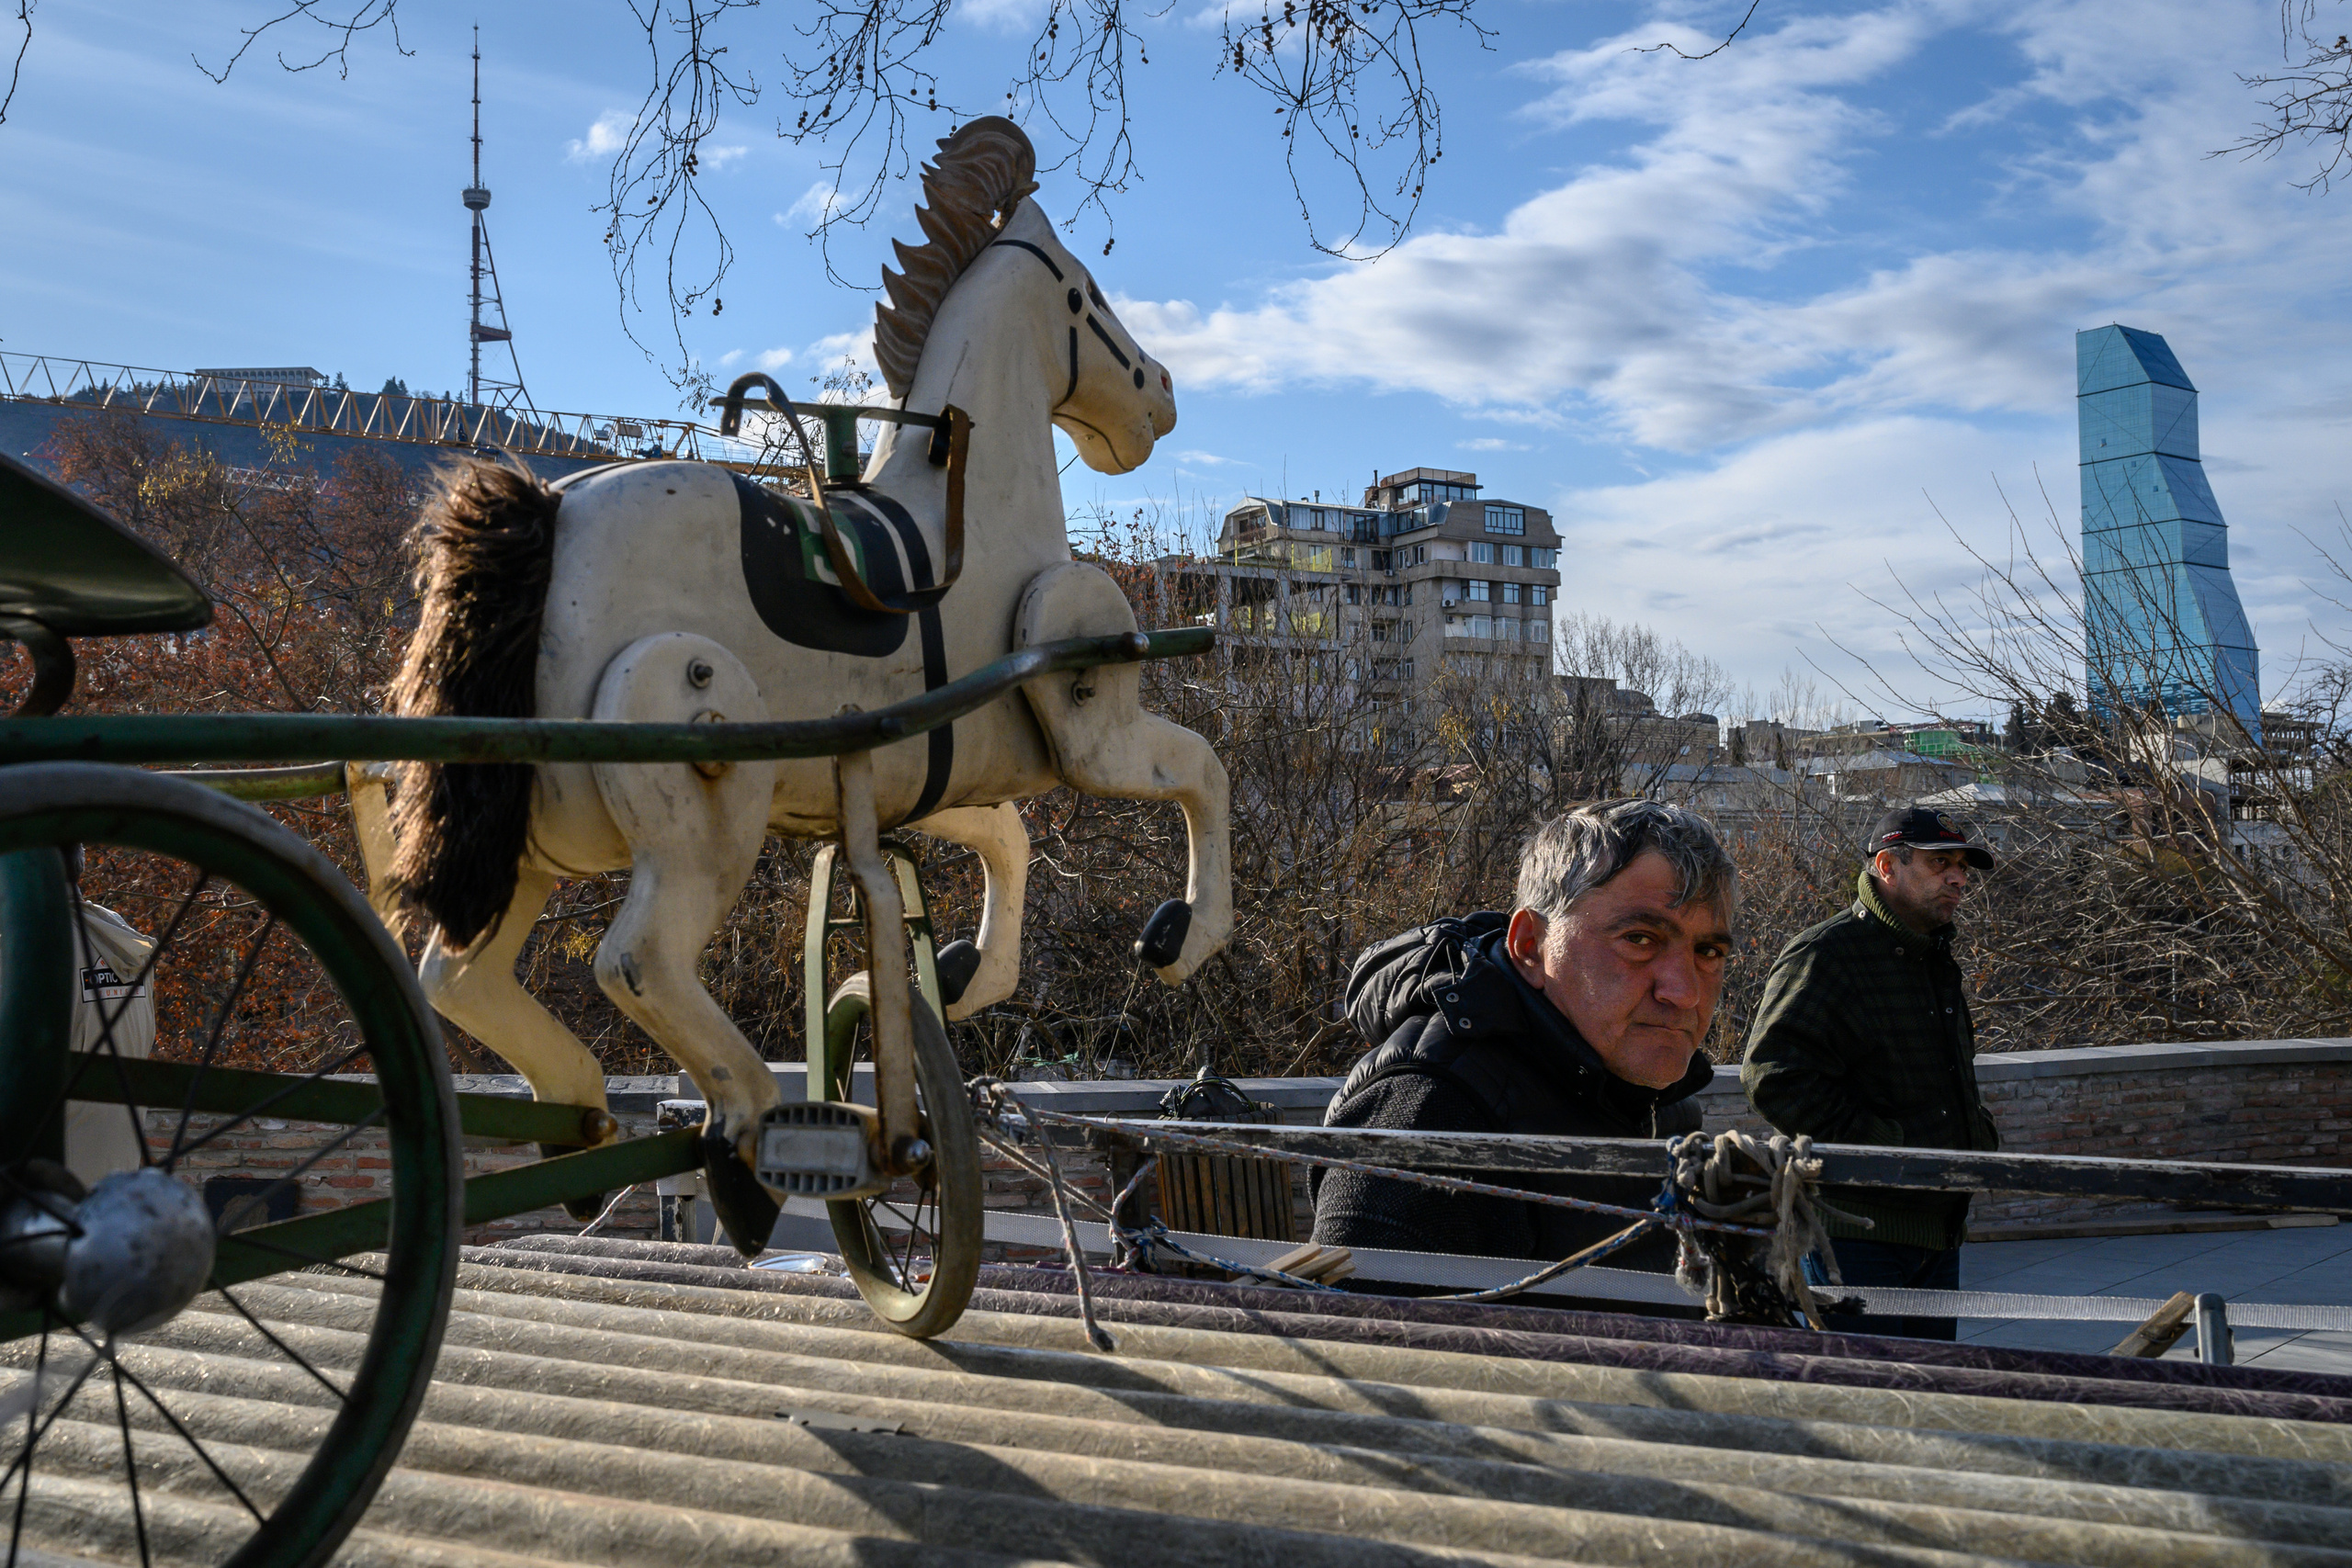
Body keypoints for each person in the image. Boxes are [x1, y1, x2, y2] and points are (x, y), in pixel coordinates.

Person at [1310, 799, 1736, 1274]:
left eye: (1709, 950)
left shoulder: (1656, 1093)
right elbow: (1358, 1340)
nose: (1684, 992)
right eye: (1639, 939)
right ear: (1531, 947)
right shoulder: (1425, 1117)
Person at [1741, 806, 2001, 1340]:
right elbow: (1773, 1074)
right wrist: (1882, 1146)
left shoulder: (1934, 960)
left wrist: (1977, 1136)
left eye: (1961, 867)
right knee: (1865, 1398)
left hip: (1937, 1227)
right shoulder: (1827, 955)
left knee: (1923, 1396)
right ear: (1887, 865)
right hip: (1853, 1234)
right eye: (1939, 864)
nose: (1957, 877)